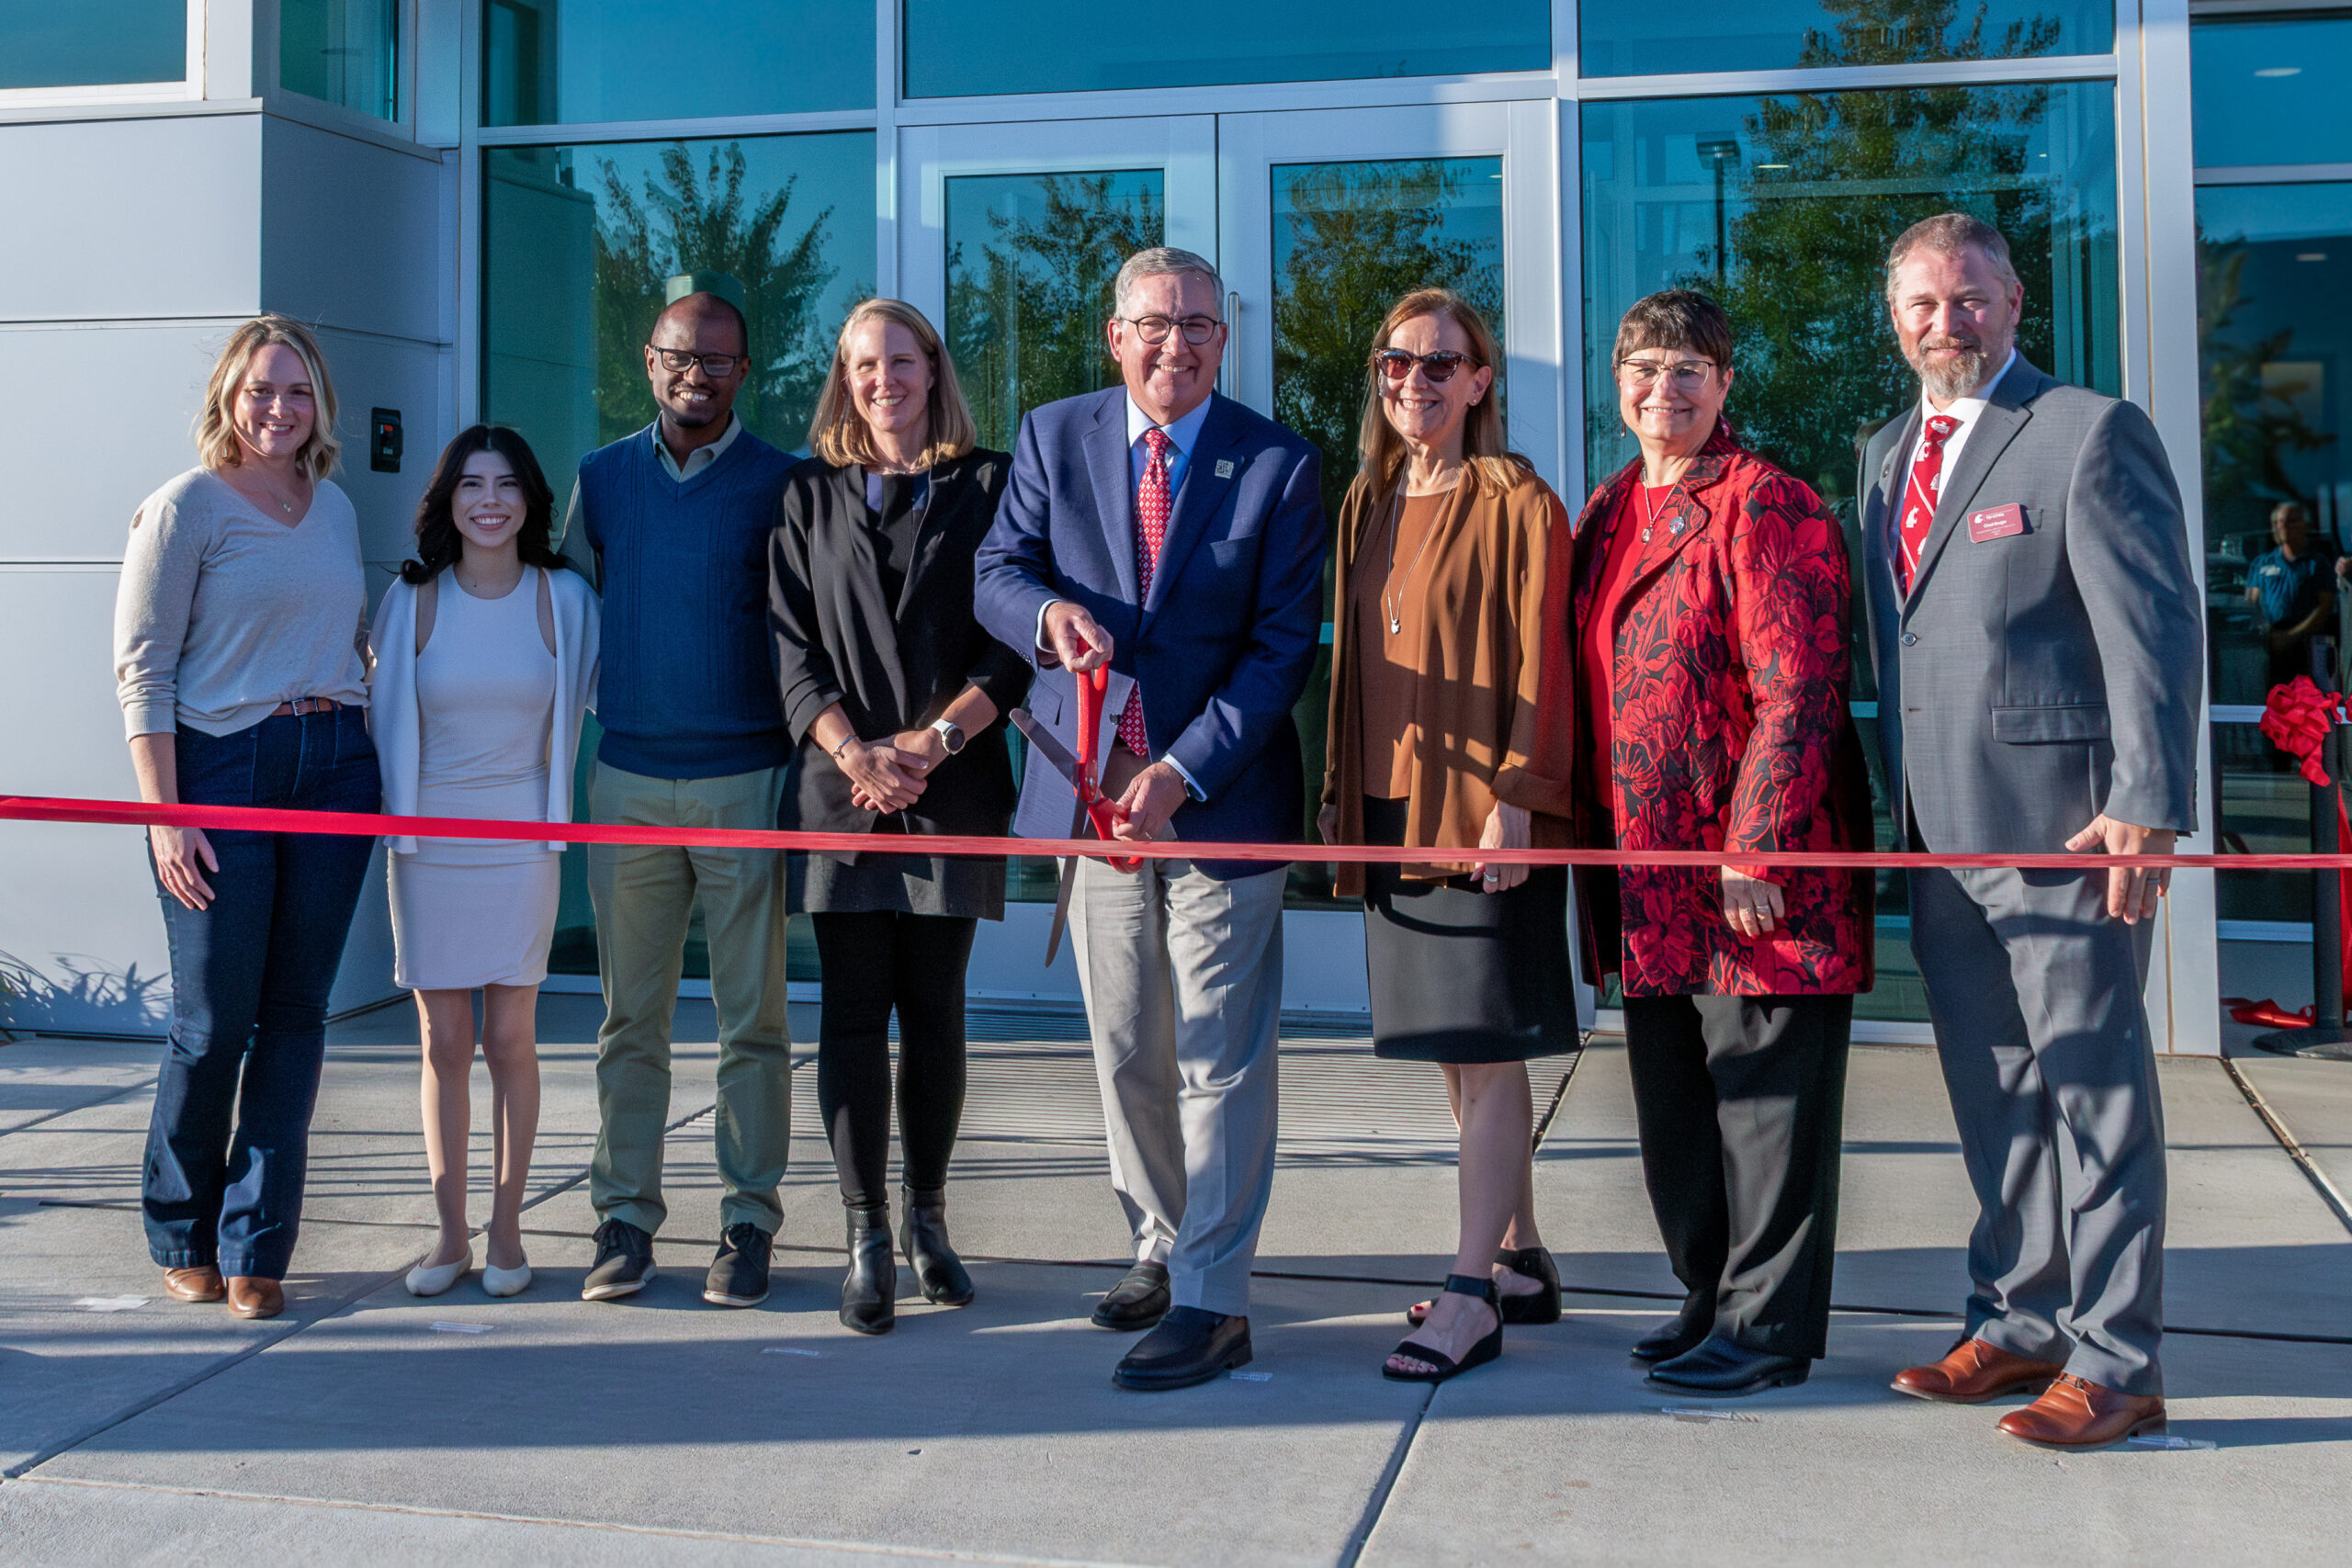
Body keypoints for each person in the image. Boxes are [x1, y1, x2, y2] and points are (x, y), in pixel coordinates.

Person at [1861, 214, 2201, 1449]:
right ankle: (2017, 1319)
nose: (1946, 323)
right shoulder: (1886, 450)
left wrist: (2150, 800)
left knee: (2094, 1092)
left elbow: (2154, 630)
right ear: (1891, 318)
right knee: (1992, 1092)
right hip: (1938, 835)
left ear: (2013, 304)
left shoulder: (2086, 432)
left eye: (1969, 299)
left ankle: (2119, 1356)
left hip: (2071, 831)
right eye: (1922, 304)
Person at [975, 246, 1326, 1391]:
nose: (1178, 344)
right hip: (1091, 795)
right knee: (1127, 1042)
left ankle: (1216, 1299)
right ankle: (1161, 1244)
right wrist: (1047, 616)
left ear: (1224, 339)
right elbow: (997, 568)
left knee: (1220, 1058)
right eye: (1156, 323)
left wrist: (1183, 765)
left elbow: (1283, 650)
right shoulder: (1050, 433)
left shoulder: (1277, 464)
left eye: (1201, 326)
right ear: (1114, 333)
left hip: (1219, 802)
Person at [1572, 288, 1874, 1398]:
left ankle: (1767, 1328)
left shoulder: (1766, 502)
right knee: (1678, 1120)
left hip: (1752, 878)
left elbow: (1800, 689)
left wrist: (1757, 844)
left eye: (1690, 368)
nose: (1666, 389)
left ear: (1726, 382)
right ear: (1618, 385)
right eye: (1645, 368)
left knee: (1766, 1114)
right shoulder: (1608, 512)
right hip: (1643, 880)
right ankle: (1707, 1296)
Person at [1317, 288, 1576, 1383]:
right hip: (1391, 814)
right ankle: (1517, 1256)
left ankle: (1469, 1293)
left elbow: (1540, 656)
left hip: (1482, 815)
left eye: (1438, 365)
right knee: (1454, 1060)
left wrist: (1518, 792)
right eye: (1394, 364)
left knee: (1486, 1047)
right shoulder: (1368, 499)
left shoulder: (1514, 495)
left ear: (1479, 383)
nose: (1411, 384)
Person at [768, 300, 1029, 1334]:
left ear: (933, 368)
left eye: (903, 360)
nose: (886, 379)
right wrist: (854, 752)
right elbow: (790, 648)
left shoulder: (992, 484)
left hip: (950, 786)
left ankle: (928, 1219)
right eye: (866, 363)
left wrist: (932, 744)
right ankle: (863, 1232)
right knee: (848, 1014)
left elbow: (1011, 647)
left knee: (935, 1015)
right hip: (840, 794)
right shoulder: (804, 493)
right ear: (844, 375)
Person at [113, 315, 379, 1321]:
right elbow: (144, 669)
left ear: (321, 405)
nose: (279, 408)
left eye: (298, 391)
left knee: (297, 1017)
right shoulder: (185, 508)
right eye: (261, 389)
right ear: (229, 395)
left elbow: (349, 637)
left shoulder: (336, 507)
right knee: (214, 1018)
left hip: (337, 763)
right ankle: (182, 1230)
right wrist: (164, 813)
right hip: (221, 768)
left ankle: (257, 1244)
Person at [557, 288, 802, 1308]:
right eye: (676, 355)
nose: (694, 372)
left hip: (746, 778)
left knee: (752, 1022)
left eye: (716, 358)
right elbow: (553, 612)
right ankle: (623, 1220)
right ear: (646, 360)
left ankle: (747, 1226)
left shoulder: (784, 483)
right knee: (630, 1021)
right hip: (627, 780)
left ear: (744, 370)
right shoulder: (602, 481)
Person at [372, 426, 599, 1301]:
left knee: (511, 1037)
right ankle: (450, 1233)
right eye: (472, 485)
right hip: (429, 846)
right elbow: (376, 708)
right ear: (449, 501)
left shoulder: (564, 598)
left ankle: (507, 1226)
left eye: (507, 485)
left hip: (519, 844)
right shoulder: (414, 597)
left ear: (530, 501)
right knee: (444, 1040)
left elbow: (596, 697)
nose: (491, 501)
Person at [2244, 500, 2336, 690]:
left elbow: (2325, 606)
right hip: (2270, 646)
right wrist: (2267, 632)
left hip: (2305, 646)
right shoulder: (2262, 563)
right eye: (2279, 522)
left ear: (2304, 526)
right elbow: (2251, 602)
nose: (2283, 526)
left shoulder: (2316, 564)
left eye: (2290, 521)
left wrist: (2292, 635)